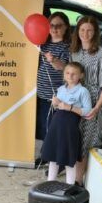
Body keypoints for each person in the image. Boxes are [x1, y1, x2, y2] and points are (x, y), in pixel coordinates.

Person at [70, 16, 102, 182]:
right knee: (75, 141)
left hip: (94, 103)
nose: (85, 33)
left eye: (89, 30)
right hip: (76, 103)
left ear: (95, 32)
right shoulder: (74, 52)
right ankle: (75, 179)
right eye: (82, 30)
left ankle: (77, 183)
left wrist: (96, 108)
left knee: (85, 144)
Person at [41, 62, 92, 185]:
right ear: (64, 75)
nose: (70, 76)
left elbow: (87, 111)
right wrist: (54, 103)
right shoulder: (61, 89)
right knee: (53, 156)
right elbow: (56, 106)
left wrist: (69, 107)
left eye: (74, 74)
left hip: (70, 128)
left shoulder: (83, 91)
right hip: (56, 125)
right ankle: (50, 183)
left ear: (81, 75)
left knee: (69, 159)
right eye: (67, 73)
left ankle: (69, 186)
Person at [36, 12, 71, 142]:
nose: (55, 29)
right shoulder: (43, 43)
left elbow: (64, 67)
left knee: (51, 127)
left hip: (56, 96)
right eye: (51, 25)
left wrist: (53, 60)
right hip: (41, 94)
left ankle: (49, 157)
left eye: (59, 25)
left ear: (66, 27)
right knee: (42, 126)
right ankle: (45, 154)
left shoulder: (67, 46)